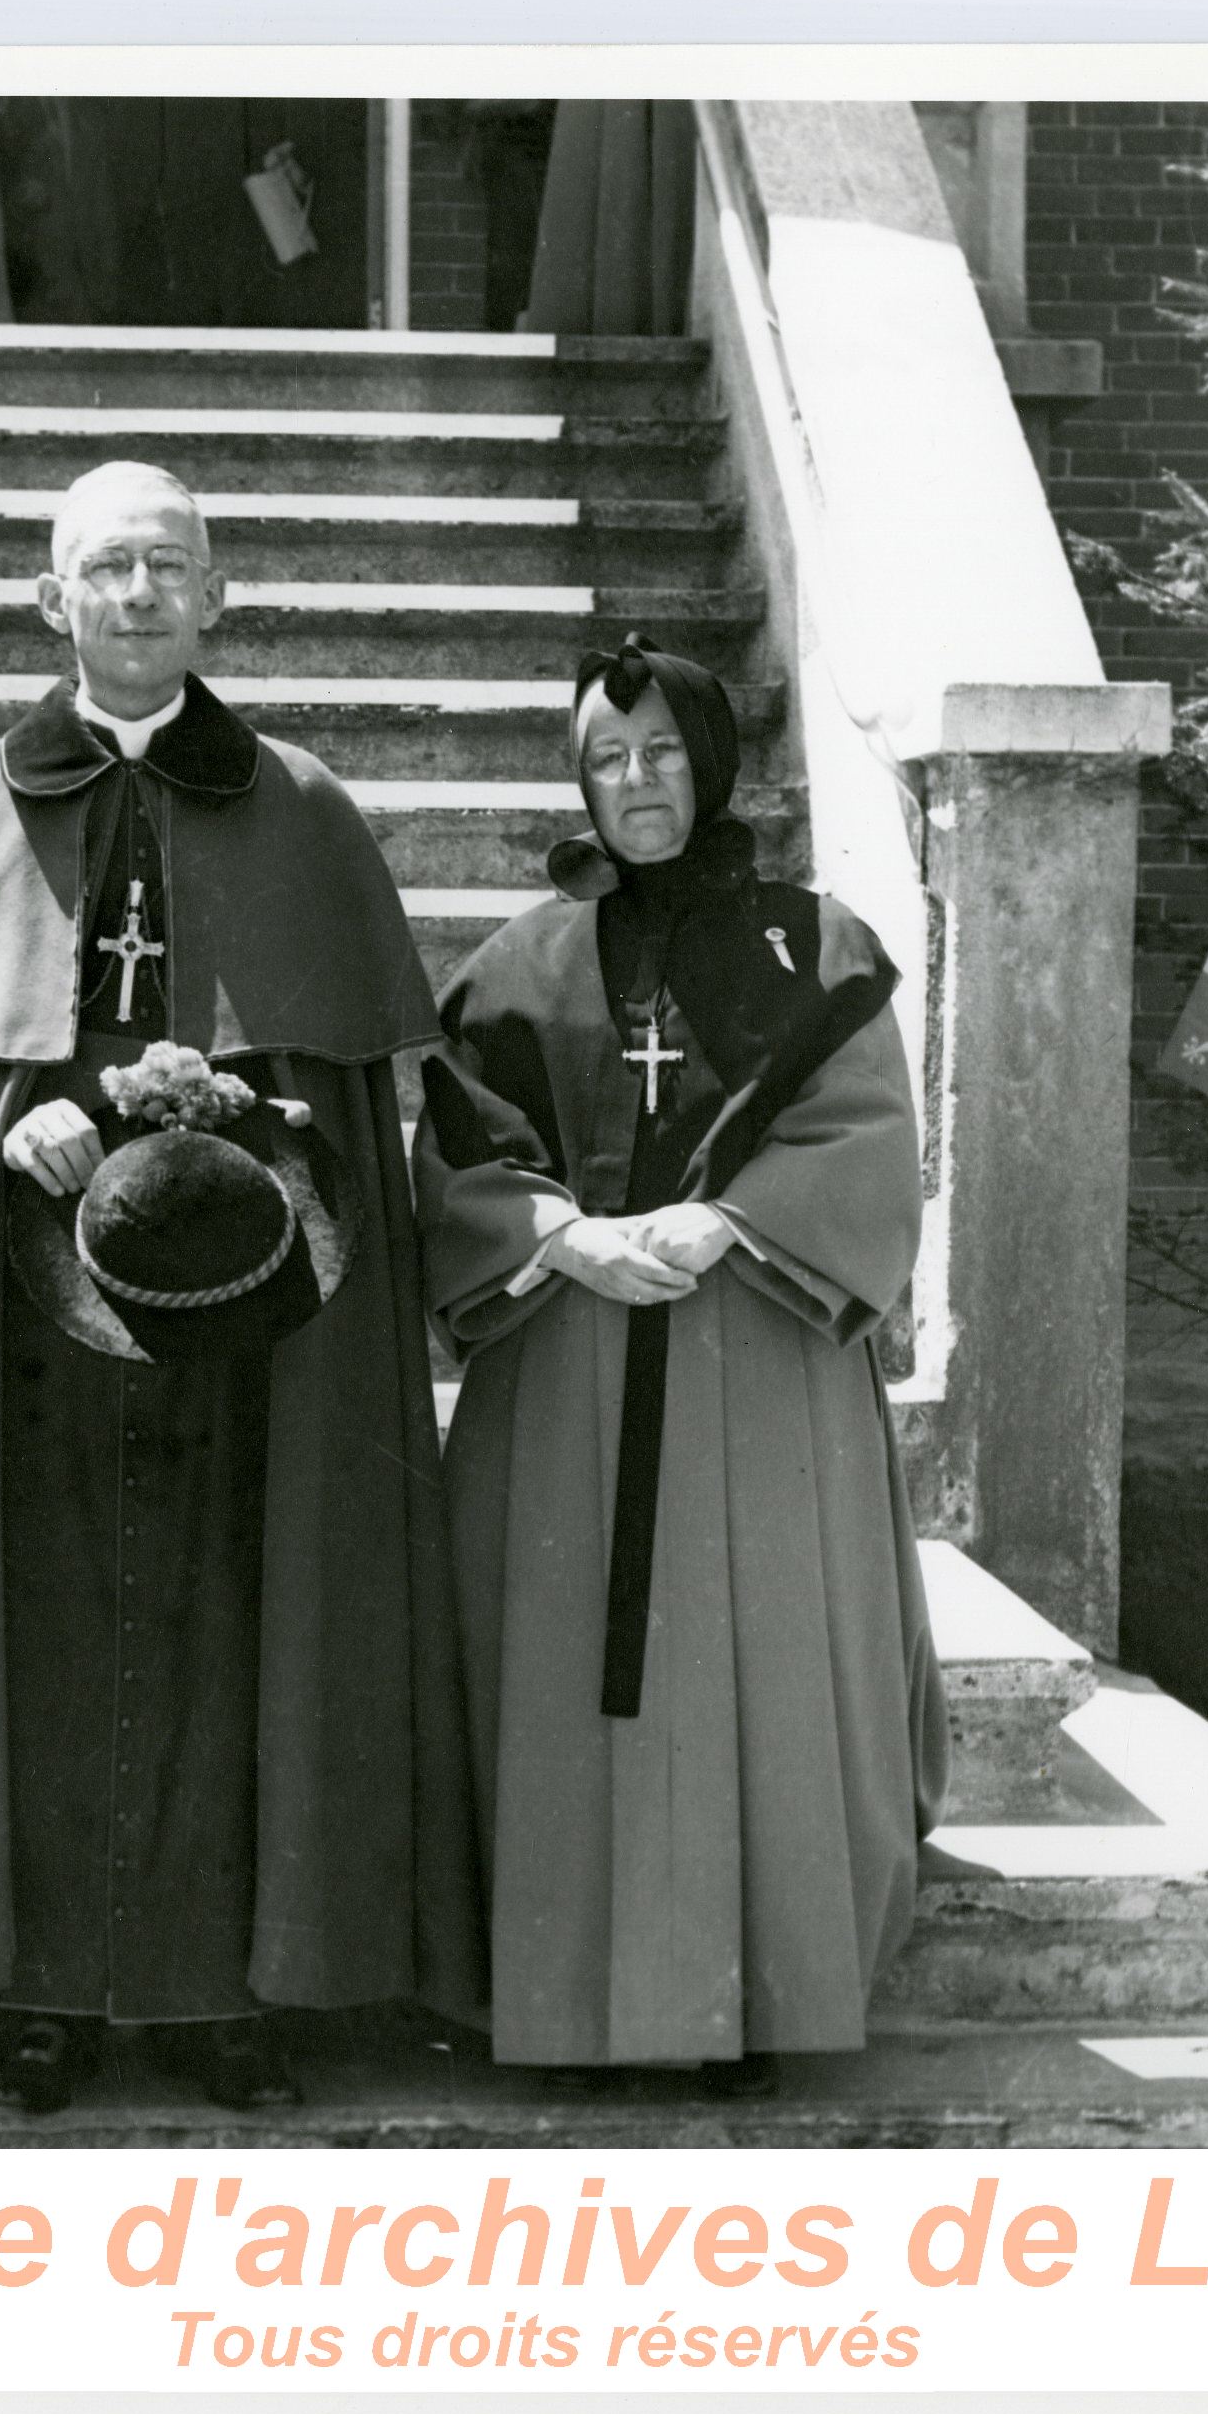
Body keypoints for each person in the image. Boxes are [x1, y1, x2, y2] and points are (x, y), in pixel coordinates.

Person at [0, 461, 483, 2115]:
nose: (132, 594)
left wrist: (246, 1109)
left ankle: (219, 1998)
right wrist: (7, 1125)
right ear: (52, 602)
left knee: (238, 1619)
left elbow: (342, 1095)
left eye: (163, 567)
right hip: (28, 1337)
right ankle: (28, 1992)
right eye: (102, 568)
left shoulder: (305, 812)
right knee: (21, 1618)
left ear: (217, 599)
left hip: (240, 1315)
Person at [415, 636, 948, 2086]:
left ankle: (758, 2000)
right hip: (565, 1363)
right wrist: (555, 1234)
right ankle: (560, 2001)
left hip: (757, 1354)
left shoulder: (815, 945)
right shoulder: (515, 967)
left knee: (758, 1666)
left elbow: (861, 1133)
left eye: (659, 753)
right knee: (559, 1675)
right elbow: (461, 1153)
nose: (633, 782)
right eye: (604, 756)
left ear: (709, 765)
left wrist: (725, 1218)